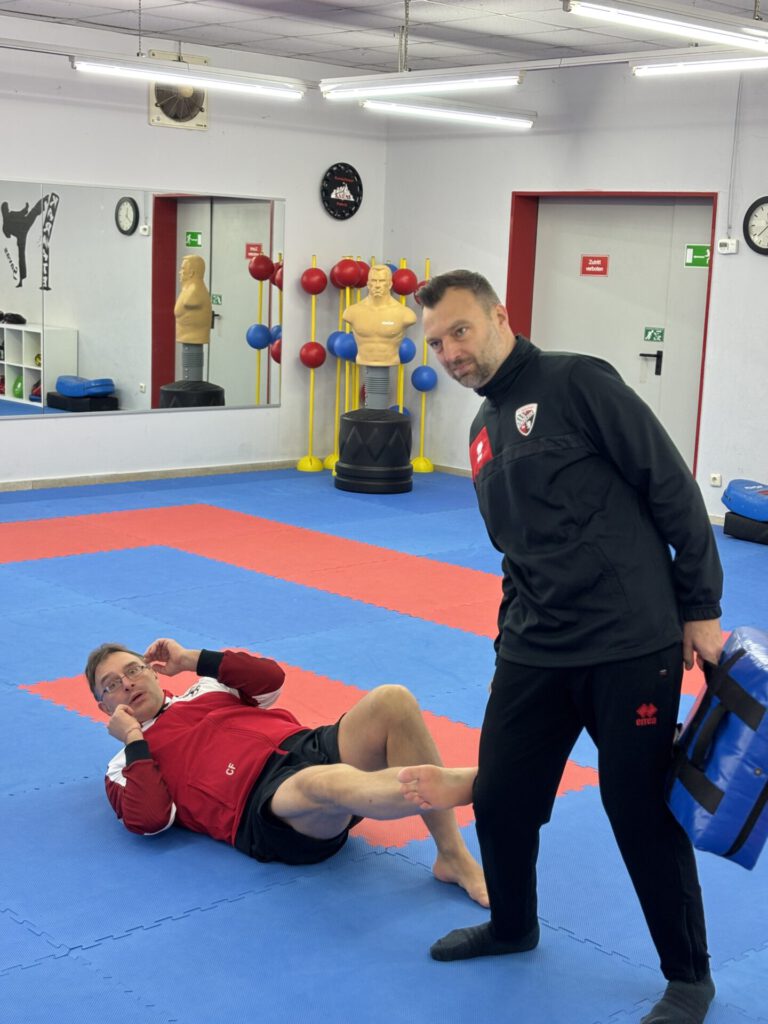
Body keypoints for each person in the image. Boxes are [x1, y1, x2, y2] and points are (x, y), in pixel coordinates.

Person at [411, 269, 723, 1024]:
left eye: (460, 331)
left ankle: (689, 977)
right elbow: (515, 553)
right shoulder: (482, 433)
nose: (450, 352)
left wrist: (700, 608)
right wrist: (507, 644)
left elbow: (671, 487)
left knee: (637, 806)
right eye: (436, 342)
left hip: (629, 641)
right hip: (535, 647)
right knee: (502, 797)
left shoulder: (578, 382)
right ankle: (512, 925)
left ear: (500, 317)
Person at [86, 636, 487, 905]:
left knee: (392, 700)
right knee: (321, 782)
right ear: (104, 708)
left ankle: (452, 856)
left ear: (154, 670)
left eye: (134, 670)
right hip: (264, 804)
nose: (127, 684)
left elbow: (270, 679)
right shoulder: (124, 764)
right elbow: (151, 818)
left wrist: (192, 660)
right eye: (111, 685)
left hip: (303, 744)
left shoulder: (205, 688)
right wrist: (135, 738)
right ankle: (452, 784)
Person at [343, 264, 416, 409]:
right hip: (364, 358)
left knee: (380, 411)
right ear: (368, 284)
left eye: (382, 281)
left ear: (390, 284)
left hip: (390, 359)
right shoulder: (352, 312)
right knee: (372, 411)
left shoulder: (405, 314)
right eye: (374, 281)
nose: (377, 285)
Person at [174, 254, 212, 381]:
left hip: (194, 337)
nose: (180, 272)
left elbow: (188, 302)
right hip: (187, 337)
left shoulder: (194, 292)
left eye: (183, 269)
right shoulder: (187, 289)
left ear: (191, 273)